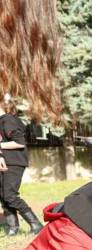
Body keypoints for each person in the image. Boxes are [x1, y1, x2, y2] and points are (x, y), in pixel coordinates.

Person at [0, 96, 43, 235]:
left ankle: (36, 224)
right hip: (5, 161)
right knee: (3, 195)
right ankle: (13, 227)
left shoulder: (8, 120)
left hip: (14, 162)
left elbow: (20, 142)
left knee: (10, 196)